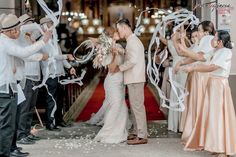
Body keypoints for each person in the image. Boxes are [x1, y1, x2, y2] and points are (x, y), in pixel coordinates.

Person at [0, 14, 51, 157]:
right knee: (7, 123)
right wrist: (43, 42)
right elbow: (23, 52)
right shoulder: (5, 42)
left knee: (12, 121)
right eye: (17, 29)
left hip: (12, 86)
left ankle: (11, 148)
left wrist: (41, 55)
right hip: (5, 87)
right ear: (10, 30)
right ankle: (5, 152)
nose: (19, 32)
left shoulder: (8, 40)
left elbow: (24, 56)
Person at [182, 30, 236, 157]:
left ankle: (222, 148)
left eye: (215, 38)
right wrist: (184, 50)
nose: (211, 39)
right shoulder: (215, 51)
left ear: (220, 41)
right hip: (212, 84)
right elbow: (201, 57)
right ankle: (216, 145)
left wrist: (194, 68)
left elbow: (212, 67)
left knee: (218, 116)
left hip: (219, 85)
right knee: (212, 115)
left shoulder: (226, 52)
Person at [175, 21, 216, 143]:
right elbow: (192, 56)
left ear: (206, 32)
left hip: (202, 75)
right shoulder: (203, 41)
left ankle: (200, 134)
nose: (197, 32)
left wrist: (182, 59)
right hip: (197, 74)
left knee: (200, 104)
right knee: (196, 103)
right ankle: (196, 132)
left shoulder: (208, 39)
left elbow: (198, 57)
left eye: (199, 30)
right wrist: (181, 61)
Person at [110, 19, 148, 145]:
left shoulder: (133, 42)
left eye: (119, 29)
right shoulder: (132, 41)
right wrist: (122, 51)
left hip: (135, 78)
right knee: (135, 107)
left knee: (137, 107)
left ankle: (142, 136)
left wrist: (118, 68)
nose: (118, 32)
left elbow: (132, 61)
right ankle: (138, 131)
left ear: (125, 28)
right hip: (134, 78)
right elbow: (131, 55)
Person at [39, 17, 76, 131]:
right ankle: (50, 123)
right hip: (50, 74)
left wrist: (69, 67)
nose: (52, 28)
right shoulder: (42, 41)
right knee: (51, 99)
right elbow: (52, 57)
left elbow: (60, 56)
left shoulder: (54, 40)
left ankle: (59, 120)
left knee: (60, 98)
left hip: (58, 73)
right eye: (50, 26)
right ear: (44, 27)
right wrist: (66, 56)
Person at [93, 27, 128, 143]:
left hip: (121, 81)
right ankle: (106, 133)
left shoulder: (118, 46)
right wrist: (113, 55)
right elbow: (112, 68)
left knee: (121, 106)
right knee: (116, 106)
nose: (118, 32)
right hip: (113, 81)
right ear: (112, 35)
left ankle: (119, 131)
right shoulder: (106, 49)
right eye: (116, 32)